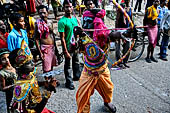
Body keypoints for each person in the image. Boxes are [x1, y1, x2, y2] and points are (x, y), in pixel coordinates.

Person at [75, 0, 136, 113]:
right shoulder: (82, 35)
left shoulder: (102, 34)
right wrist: (75, 37)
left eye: (89, 22)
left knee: (108, 89)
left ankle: (107, 102)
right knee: (82, 97)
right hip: (88, 71)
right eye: (85, 21)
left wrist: (126, 33)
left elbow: (114, 34)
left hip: (102, 70)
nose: (86, 24)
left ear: (95, 23)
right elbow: (73, 49)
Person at [9, 40, 56, 113]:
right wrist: (49, 91)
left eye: (32, 60)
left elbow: (32, 82)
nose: (33, 63)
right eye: (28, 63)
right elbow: (37, 110)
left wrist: (44, 83)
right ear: (18, 67)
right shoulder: (22, 88)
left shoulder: (28, 74)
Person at [58, 0, 81, 90]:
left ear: (73, 7)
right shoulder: (62, 21)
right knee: (68, 65)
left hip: (76, 45)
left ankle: (76, 76)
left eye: (70, 6)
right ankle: (69, 82)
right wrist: (65, 51)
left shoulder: (75, 19)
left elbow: (77, 32)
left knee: (76, 62)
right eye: (66, 7)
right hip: (68, 46)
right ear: (64, 8)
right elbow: (62, 38)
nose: (68, 8)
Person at [34, 5, 59, 74]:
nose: (42, 15)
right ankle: (47, 82)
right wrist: (40, 52)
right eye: (40, 13)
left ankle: (51, 80)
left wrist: (56, 48)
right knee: (46, 67)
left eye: (44, 13)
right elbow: (36, 39)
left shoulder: (50, 22)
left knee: (51, 65)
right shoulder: (37, 24)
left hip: (52, 47)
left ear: (47, 13)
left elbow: (52, 35)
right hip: (45, 49)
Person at [0, 48, 17, 113]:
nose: (7, 60)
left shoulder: (15, 67)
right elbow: (2, 88)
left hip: (19, 91)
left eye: (8, 57)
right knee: (11, 108)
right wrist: (13, 85)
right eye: (3, 59)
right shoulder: (2, 73)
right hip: (10, 94)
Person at [115, 3, 132, 68]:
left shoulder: (130, 9)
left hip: (127, 31)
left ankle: (125, 61)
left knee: (128, 46)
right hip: (120, 30)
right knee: (118, 47)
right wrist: (116, 31)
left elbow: (131, 20)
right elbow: (117, 21)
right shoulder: (120, 10)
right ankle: (119, 62)